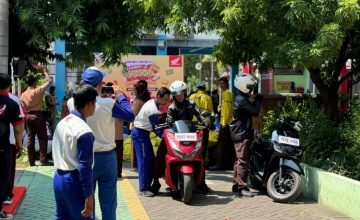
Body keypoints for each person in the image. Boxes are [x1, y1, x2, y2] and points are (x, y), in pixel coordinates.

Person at [67, 66, 134, 220]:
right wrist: (121, 96)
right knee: (109, 204)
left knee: (87, 202)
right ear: (99, 85)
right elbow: (130, 115)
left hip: (83, 157)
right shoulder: (107, 103)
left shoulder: (72, 102)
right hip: (106, 157)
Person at [151, 80, 211, 194]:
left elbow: (199, 114)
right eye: (177, 95)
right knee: (160, 153)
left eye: (181, 94)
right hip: (175, 135)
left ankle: (202, 181)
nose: (179, 97)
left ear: (185, 93)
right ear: (173, 96)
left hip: (190, 134)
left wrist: (204, 120)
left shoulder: (192, 104)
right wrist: (168, 123)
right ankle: (155, 180)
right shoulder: (171, 108)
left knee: (201, 154)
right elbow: (169, 120)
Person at [52, 84, 97, 219]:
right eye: (95, 103)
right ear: (89, 104)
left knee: (62, 217)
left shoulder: (63, 122)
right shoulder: (84, 130)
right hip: (74, 181)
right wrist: (89, 195)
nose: (95, 106)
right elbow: (84, 165)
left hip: (58, 178)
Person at [132, 87, 171, 197]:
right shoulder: (153, 109)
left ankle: (147, 185)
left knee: (149, 159)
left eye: (168, 100)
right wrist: (167, 137)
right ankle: (143, 189)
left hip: (143, 134)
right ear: (158, 96)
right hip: (140, 134)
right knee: (144, 161)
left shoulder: (152, 102)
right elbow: (157, 129)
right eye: (165, 99)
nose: (166, 102)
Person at [230, 73, 263, 197]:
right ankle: (241, 187)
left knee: (238, 160)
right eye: (250, 87)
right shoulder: (241, 99)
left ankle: (235, 184)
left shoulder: (240, 96)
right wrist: (258, 99)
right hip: (241, 133)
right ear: (244, 86)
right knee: (243, 161)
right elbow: (254, 111)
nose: (251, 89)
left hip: (239, 132)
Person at [0, 73, 24, 219]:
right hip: (2, 146)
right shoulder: (12, 103)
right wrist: (20, 147)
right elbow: (18, 129)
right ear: (9, 86)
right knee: (2, 178)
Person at [20, 64, 52, 166]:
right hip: (37, 116)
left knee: (30, 139)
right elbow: (48, 81)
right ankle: (43, 160)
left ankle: (31, 161)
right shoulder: (37, 91)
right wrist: (44, 71)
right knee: (43, 138)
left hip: (28, 117)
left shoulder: (23, 94)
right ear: (34, 82)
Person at [3, 92, 26, 206]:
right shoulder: (14, 100)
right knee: (7, 171)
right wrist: (20, 144)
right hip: (8, 140)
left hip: (9, 139)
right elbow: (20, 123)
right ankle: (6, 195)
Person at [209, 77, 234, 170]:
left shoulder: (227, 93)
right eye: (220, 84)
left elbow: (227, 108)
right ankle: (229, 163)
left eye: (223, 83)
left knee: (221, 145)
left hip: (225, 123)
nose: (221, 85)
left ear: (227, 84)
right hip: (228, 122)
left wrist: (223, 122)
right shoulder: (226, 93)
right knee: (229, 145)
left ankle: (220, 164)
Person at [189, 82, 213, 168]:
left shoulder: (192, 97)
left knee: (193, 144)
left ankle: (192, 161)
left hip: (193, 124)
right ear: (204, 89)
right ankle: (202, 162)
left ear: (197, 88)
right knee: (203, 144)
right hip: (204, 124)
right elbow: (210, 111)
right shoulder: (208, 98)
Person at [129, 80, 151, 171]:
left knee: (135, 146)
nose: (134, 91)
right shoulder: (148, 100)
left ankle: (135, 165)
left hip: (136, 125)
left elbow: (131, 114)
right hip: (145, 126)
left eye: (135, 89)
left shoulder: (137, 101)